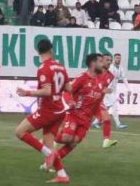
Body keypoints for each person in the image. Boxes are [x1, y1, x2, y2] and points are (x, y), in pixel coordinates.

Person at [45, 53, 105, 184]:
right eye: (101, 61)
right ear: (93, 63)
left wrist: (99, 116)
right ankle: (48, 138)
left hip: (86, 120)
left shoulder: (100, 82)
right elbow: (67, 91)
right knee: (67, 138)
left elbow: (97, 102)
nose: (103, 64)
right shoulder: (82, 78)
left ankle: (53, 159)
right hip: (74, 114)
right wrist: (70, 101)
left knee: (74, 142)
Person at [15, 38, 71, 171]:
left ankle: (49, 154)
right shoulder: (60, 66)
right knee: (48, 142)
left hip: (48, 109)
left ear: (38, 52)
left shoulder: (43, 68)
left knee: (20, 132)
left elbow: (47, 91)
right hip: (59, 109)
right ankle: (60, 173)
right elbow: (68, 88)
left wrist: (27, 92)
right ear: (51, 50)